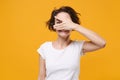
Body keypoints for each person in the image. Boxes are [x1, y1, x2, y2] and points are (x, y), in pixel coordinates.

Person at [37, 6, 106, 80]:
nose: (63, 26)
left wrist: (75, 26)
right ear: (54, 26)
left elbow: (102, 43)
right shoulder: (45, 48)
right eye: (59, 22)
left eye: (66, 23)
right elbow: (41, 77)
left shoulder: (78, 46)